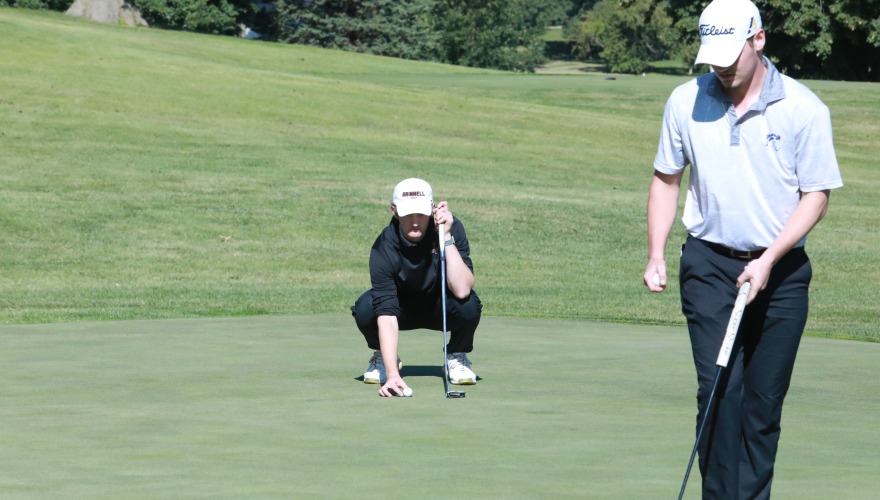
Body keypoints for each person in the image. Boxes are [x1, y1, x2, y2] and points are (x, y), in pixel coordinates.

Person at [643, 0, 843, 497]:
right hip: (709, 264)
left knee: (762, 403)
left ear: (758, 39)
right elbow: (667, 180)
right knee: (717, 392)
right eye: (713, 57)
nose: (722, 67)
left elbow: (815, 196)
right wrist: (656, 253)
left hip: (783, 272)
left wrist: (769, 260)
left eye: (731, 54)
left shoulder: (802, 108)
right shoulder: (685, 100)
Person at [352, 178, 482, 397]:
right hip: (400, 309)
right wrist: (393, 375)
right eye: (408, 214)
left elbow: (462, 289)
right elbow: (386, 312)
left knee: (469, 304)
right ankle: (385, 359)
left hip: (439, 306)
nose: (415, 222)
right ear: (394, 211)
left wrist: (446, 237)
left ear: (432, 210)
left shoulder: (451, 228)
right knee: (365, 308)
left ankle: (456, 355)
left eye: (421, 214)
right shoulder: (383, 247)